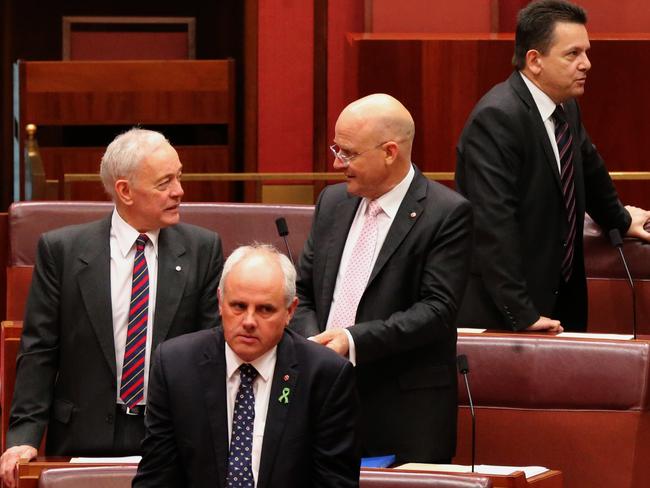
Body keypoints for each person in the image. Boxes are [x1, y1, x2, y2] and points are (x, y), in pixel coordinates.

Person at [0, 128, 223, 486]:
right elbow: (39, 350)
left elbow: (210, 352)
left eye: (179, 177)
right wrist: (23, 438)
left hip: (170, 438)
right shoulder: (63, 251)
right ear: (125, 191)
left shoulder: (202, 249)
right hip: (80, 436)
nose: (179, 191)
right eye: (165, 182)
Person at [291, 93, 473, 463]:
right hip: (325, 402)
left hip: (404, 412)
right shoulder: (333, 203)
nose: (337, 162)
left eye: (349, 153)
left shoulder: (446, 214)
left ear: (390, 152)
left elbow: (437, 311)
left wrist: (351, 341)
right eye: (337, 149)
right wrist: (313, 343)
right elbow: (304, 290)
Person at [455, 0, 650, 333]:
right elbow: (493, 226)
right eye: (572, 54)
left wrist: (620, 220)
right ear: (535, 61)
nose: (586, 64)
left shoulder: (564, 107)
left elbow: (590, 170)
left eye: (586, 52)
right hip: (509, 312)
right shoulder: (497, 119)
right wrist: (522, 313)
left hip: (563, 293)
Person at [132, 244, 360, 487]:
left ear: (290, 311)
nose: (249, 321)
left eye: (265, 309)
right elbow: (156, 478)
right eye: (239, 306)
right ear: (220, 302)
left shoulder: (325, 376)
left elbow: (335, 483)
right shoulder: (176, 366)